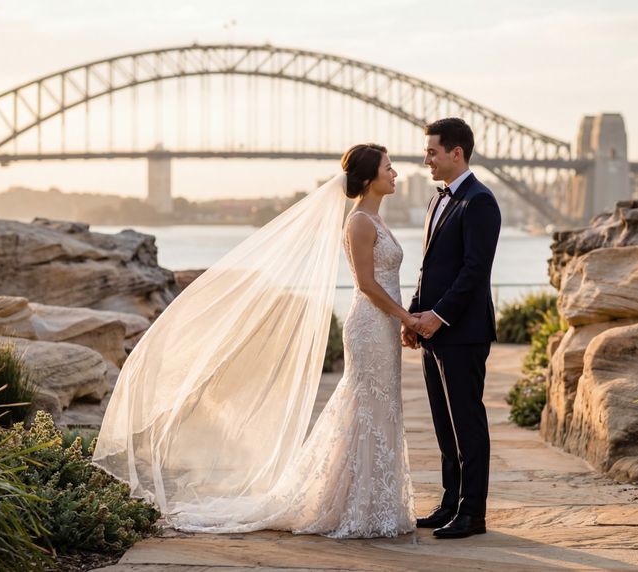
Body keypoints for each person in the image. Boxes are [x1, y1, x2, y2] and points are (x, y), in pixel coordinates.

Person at [92, 143, 417, 538]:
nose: (395, 172)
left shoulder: (376, 220)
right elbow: (366, 284)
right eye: (388, 167)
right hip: (369, 326)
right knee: (365, 407)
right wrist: (407, 317)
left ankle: (373, 501)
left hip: (383, 326)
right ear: (368, 178)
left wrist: (401, 320)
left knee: (381, 409)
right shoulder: (360, 223)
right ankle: (353, 506)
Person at [404, 118, 502, 539]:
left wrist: (438, 315)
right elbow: (430, 269)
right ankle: (449, 503)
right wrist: (413, 315)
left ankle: (472, 513)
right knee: (445, 424)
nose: (426, 159)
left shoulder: (480, 201)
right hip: (433, 330)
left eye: (432, 152)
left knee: (467, 423)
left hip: (462, 332)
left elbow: (475, 271)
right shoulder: (436, 201)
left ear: (456, 153)